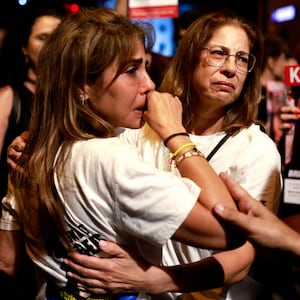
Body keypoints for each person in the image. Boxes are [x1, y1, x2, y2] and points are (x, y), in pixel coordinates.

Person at [7, 9, 282, 300]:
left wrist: (155, 279)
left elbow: (243, 255)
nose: (231, 68)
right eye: (218, 53)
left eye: (242, 59)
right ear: (188, 57)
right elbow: (86, 146)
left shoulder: (257, 149)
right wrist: (35, 141)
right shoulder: (139, 125)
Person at [0, 6, 65, 201]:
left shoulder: (72, 97)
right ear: (24, 48)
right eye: (43, 38)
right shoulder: (9, 96)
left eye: (57, 38)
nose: (51, 45)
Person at [257, 34, 290, 144]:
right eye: (283, 59)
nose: (286, 65)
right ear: (271, 62)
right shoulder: (255, 93)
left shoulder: (280, 92)